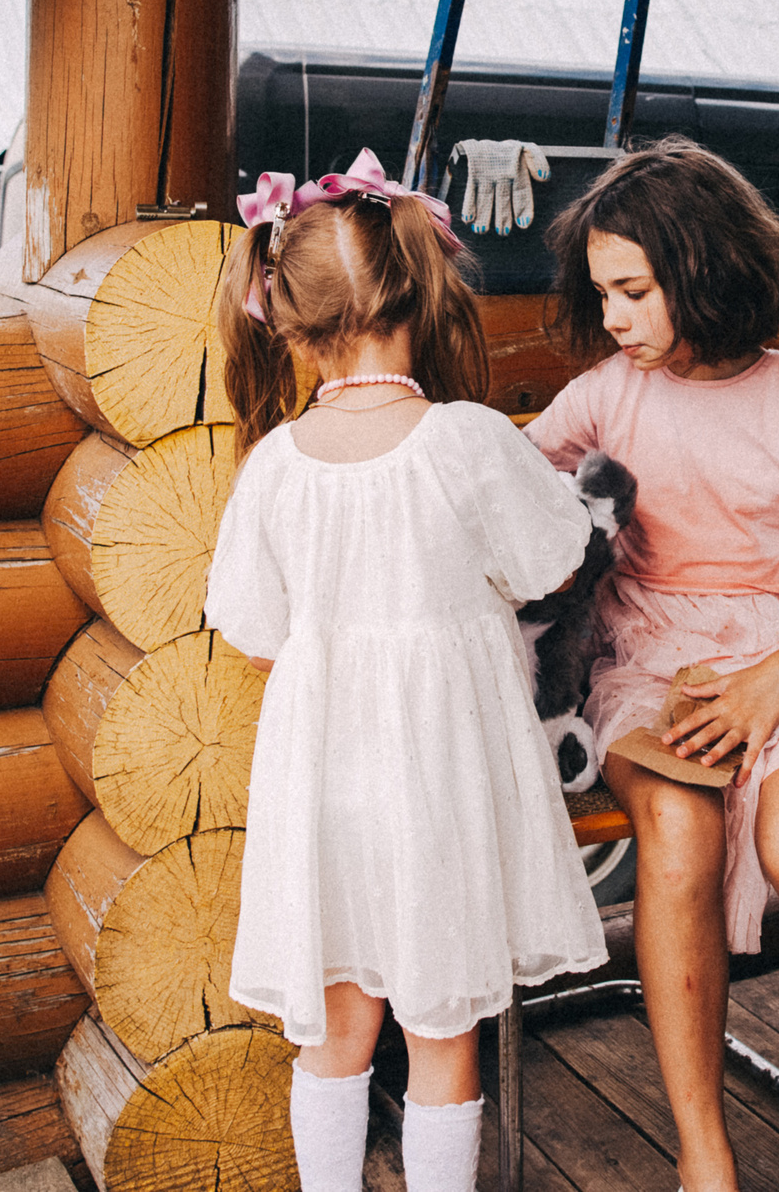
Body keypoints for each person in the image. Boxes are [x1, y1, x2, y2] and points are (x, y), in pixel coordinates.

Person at [529, 139, 779, 1192]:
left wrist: (772, 680)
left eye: (632, 291)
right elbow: (511, 490)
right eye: (601, 293)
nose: (612, 317)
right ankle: (704, 1152)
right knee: (677, 829)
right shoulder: (606, 394)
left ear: (702, 271)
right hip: (647, 658)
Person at [207, 148, 608, 1192]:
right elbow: (554, 562)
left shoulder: (273, 468)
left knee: (335, 1033)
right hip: (442, 790)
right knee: (442, 1036)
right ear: (415, 293)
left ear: (286, 323)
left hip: (325, 791)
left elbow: (254, 631)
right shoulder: (467, 443)